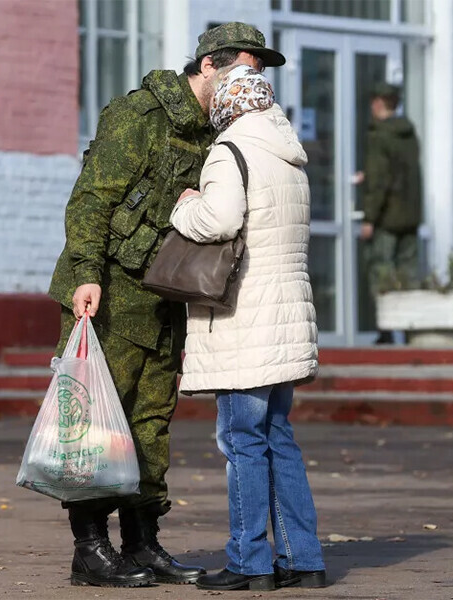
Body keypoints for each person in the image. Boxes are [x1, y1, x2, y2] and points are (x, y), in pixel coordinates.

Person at [48, 22, 286, 589]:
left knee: (150, 424)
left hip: (163, 299)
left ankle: (143, 541)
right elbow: (90, 200)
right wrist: (86, 273)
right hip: (107, 295)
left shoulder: (219, 133)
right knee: (95, 425)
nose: (251, 82)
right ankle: (90, 548)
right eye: (244, 69)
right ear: (209, 66)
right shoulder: (139, 116)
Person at [169, 65, 326, 592]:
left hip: (245, 319)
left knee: (242, 442)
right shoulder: (290, 155)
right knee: (279, 438)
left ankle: (248, 563)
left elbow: (219, 221)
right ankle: (304, 559)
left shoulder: (231, 150)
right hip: (287, 317)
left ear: (228, 105)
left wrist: (185, 206)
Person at [354, 83, 422, 344]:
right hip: (409, 215)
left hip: (387, 218)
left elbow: (382, 180)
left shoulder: (379, 134)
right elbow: (401, 172)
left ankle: (386, 330)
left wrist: (370, 217)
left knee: (381, 272)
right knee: (408, 274)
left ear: (379, 103)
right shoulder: (407, 132)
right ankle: (409, 329)